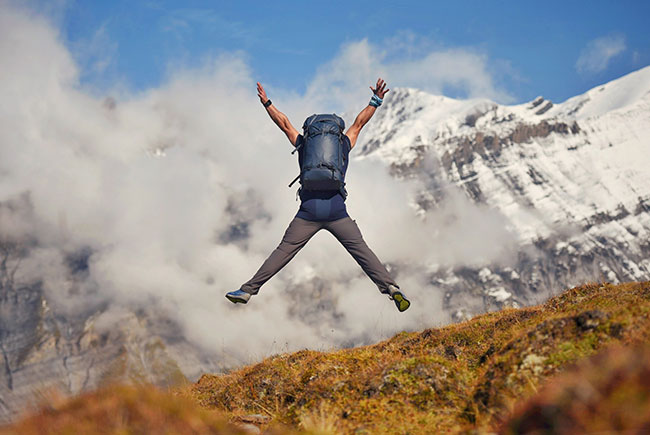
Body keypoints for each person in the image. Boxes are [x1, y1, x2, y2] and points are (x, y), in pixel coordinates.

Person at [225, 79, 410, 312]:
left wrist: (267, 103)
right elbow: (359, 123)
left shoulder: (303, 144)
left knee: (283, 251)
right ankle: (391, 288)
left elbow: (283, 123)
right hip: (336, 211)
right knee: (362, 252)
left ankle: (248, 290)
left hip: (308, 212)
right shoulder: (343, 143)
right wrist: (376, 100)